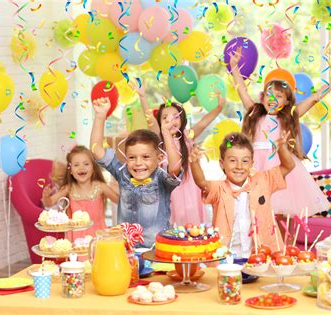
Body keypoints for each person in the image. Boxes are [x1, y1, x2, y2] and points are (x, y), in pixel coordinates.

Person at [229, 46, 331, 217]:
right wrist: (234, 67)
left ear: (286, 101)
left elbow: (314, 98)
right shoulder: (255, 113)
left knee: (282, 210)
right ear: (263, 97)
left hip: (281, 164)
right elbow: (241, 89)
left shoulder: (289, 115)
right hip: (256, 165)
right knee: (255, 211)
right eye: (269, 94)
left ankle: (285, 244)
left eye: (278, 96)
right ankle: (260, 243)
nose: (272, 99)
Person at [90, 97, 183, 247]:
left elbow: (175, 168)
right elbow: (97, 151)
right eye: (132, 157)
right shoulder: (122, 173)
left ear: (159, 158)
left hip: (156, 252)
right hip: (126, 250)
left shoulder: (161, 179)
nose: (138, 163)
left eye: (146, 157)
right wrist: (100, 116)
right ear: (126, 158)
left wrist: (165, 133)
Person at [189, 132, 295, 258]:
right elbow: (202, 182)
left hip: (261, 256)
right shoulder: (218, 188)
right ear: (222, 163)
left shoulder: (263, 181)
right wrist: (194, 163)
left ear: (251, 163)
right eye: (233, 161)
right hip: (227, 256)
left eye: (245, 161)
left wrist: (282, 148)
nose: (239, 166)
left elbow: (289, 166)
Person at [137, 82, 225, 226]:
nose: (171, 121)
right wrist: (142, 96)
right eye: (165, 118)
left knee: (191, 225)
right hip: (171, 189)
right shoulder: (160, 138)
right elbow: (150, 119)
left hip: (190, 187)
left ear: (182, 120)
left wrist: (219, 107)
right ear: (160, 123)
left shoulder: (187, 136)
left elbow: (203, 123)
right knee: (171, 224)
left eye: (175, 116)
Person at [41, 145, 119, 239]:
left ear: (93, 168)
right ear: (70, 170)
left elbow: (120, 202)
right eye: (76, 165)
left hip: (97, 238)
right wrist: (46, 197)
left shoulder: (101, 186)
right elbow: (49, 203)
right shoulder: (68, 188)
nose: (81, 167)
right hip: (74, 239)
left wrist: (118, 190)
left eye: (86, 164)